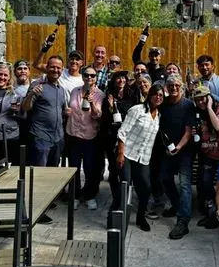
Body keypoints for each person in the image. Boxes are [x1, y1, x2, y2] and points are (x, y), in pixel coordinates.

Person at [116, 84, 164, 232]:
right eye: (155, 94)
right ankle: (115, 217)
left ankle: (140, 217)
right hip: (127, 154)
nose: (158, 97)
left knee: (145, 188)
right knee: (124, 186)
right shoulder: (137, 110)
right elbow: (123, 132)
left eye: (161, 95)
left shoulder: (159, 116)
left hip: (143, 157)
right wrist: (120, 153)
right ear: (149, 95)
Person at [158, 75, 196, 239]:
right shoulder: (163, 104)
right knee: (165, 178)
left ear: (181, 86)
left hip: (184, 150)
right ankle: (176, 204)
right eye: (171, 85)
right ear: (166, 87)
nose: (174, 88)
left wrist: (179, 147)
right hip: (167, 149)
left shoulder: (188, 105)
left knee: (185, 184)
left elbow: (188, 131)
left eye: (176, 85)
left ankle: (183, 220)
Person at [192, 86, 219, 226]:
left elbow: (218, 126)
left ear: (209, 97)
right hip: (208, 154)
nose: (200, 102)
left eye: (203, 99)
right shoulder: (198, 112)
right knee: (205, 184)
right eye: (197, 100)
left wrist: (209, 107)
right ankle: (212, 214)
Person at [66, 66, 105, 210]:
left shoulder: (100, 94)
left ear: (96, 78)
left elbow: (98, 116)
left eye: (92, 76)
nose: (89, 78)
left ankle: (89, 195)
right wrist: (67, 112)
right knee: (74, 168)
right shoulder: (74, 91)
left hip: (90, 136)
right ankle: (75, 195)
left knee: (90, 168)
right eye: (86, 75)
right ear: (82, 77)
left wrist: (92, 102)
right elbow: (70, 108)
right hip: (73, 133)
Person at [23, 55, 68, 167]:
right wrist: (31, 94)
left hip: (57, 138)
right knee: (39, 173)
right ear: (47, 67)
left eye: (58, 68)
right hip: (41, 137)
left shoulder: (61, 89)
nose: (55, 70)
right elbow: (25, 108)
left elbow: (61, 111)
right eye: (52, 67)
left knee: (53, 172)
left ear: (62, 70)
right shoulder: (37, 85)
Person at [102, 70, 137, 211]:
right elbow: (104, 118)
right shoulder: (108, 96)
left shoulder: (132, 95)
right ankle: (116, 199)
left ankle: (122, 200)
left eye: (123, 78)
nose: (121, 80)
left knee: (125, 171)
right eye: (118, 78)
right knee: (113, 170)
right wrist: (110, 106)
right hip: (112, 137)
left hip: (128, 137)